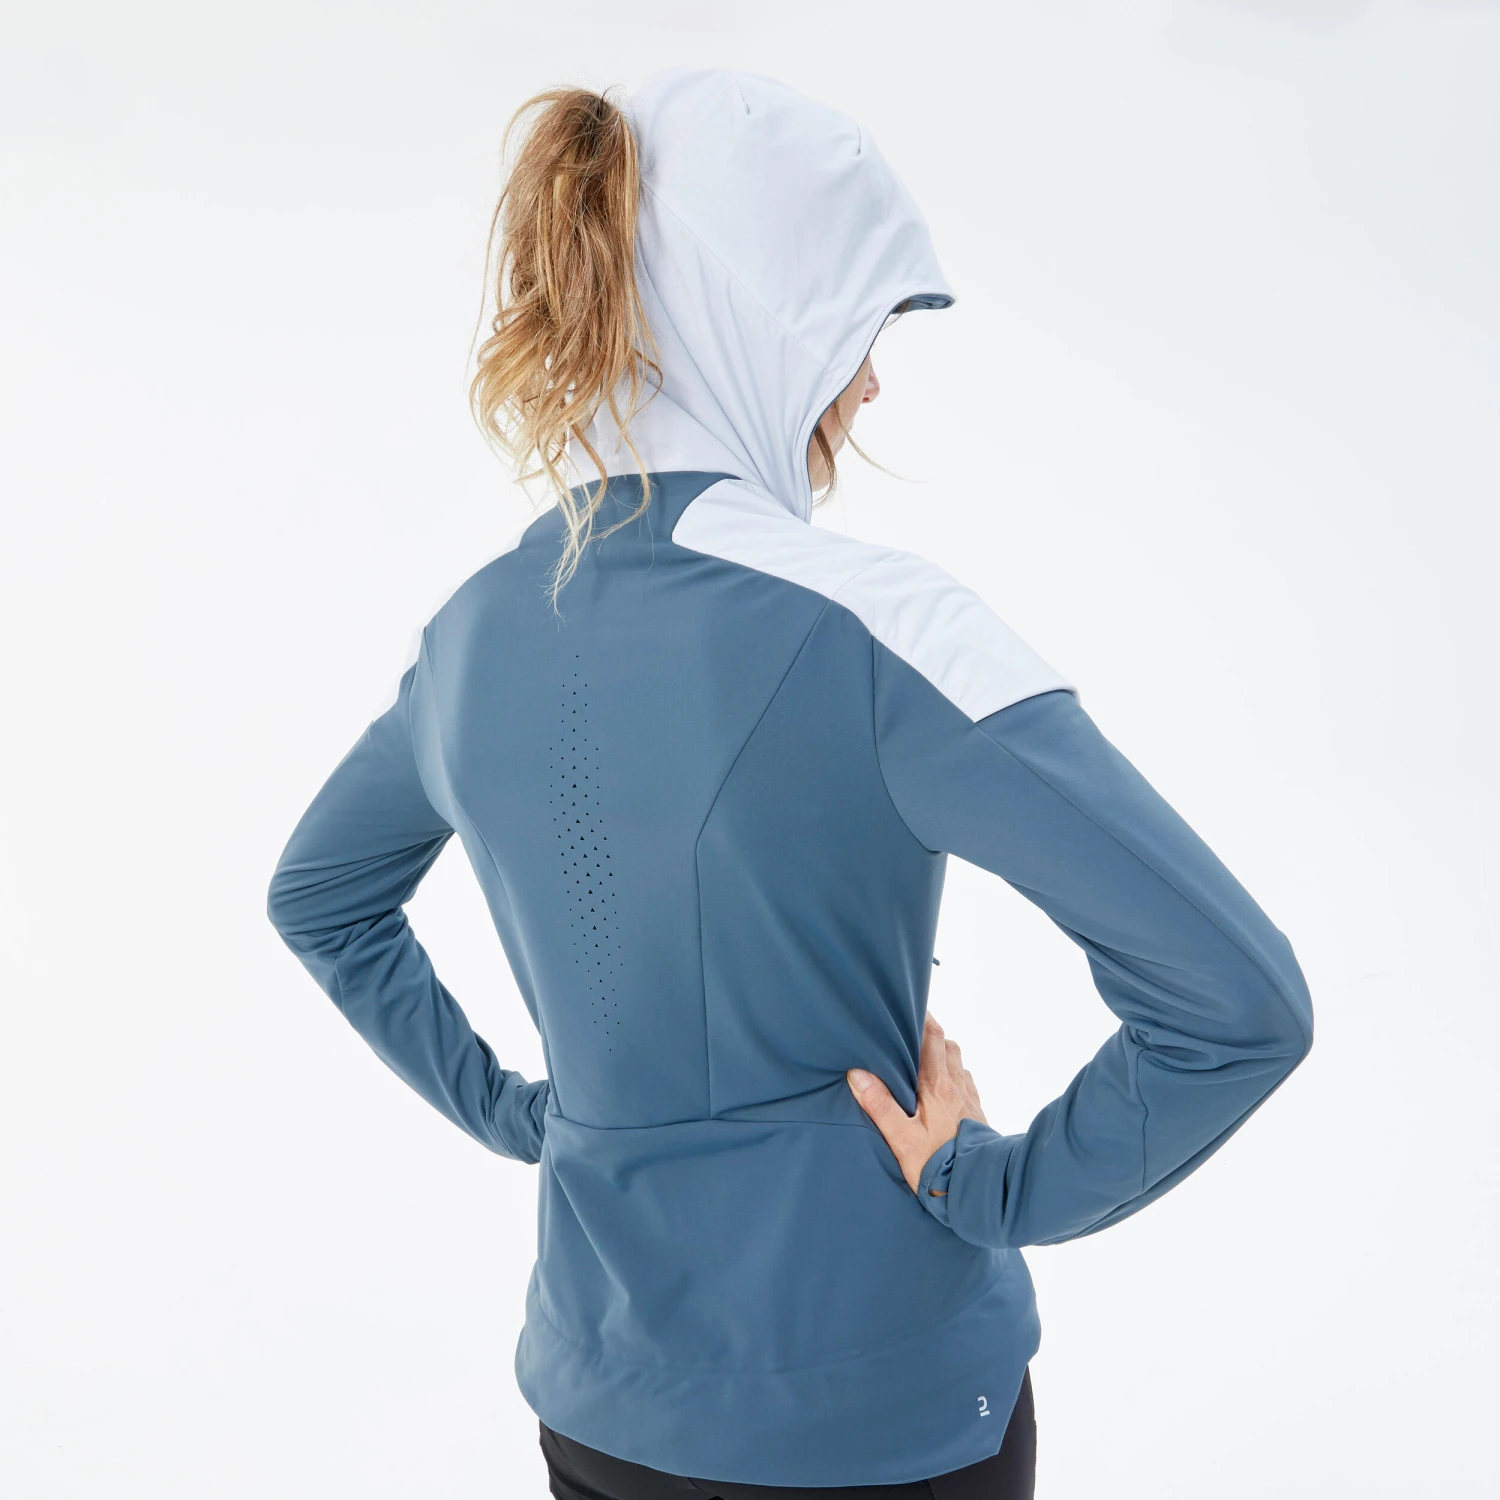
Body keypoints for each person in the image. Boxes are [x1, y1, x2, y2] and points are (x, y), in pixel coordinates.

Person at [266, 69, 1313, 1500]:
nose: (871, 382)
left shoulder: (472, 636)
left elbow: (320, 896)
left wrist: (530, 1114)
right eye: (856, 335)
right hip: (887, 1423)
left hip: (600, 1418)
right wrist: (990, 1184)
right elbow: (1238, 1002)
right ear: (759, 318)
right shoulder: (879, 627)